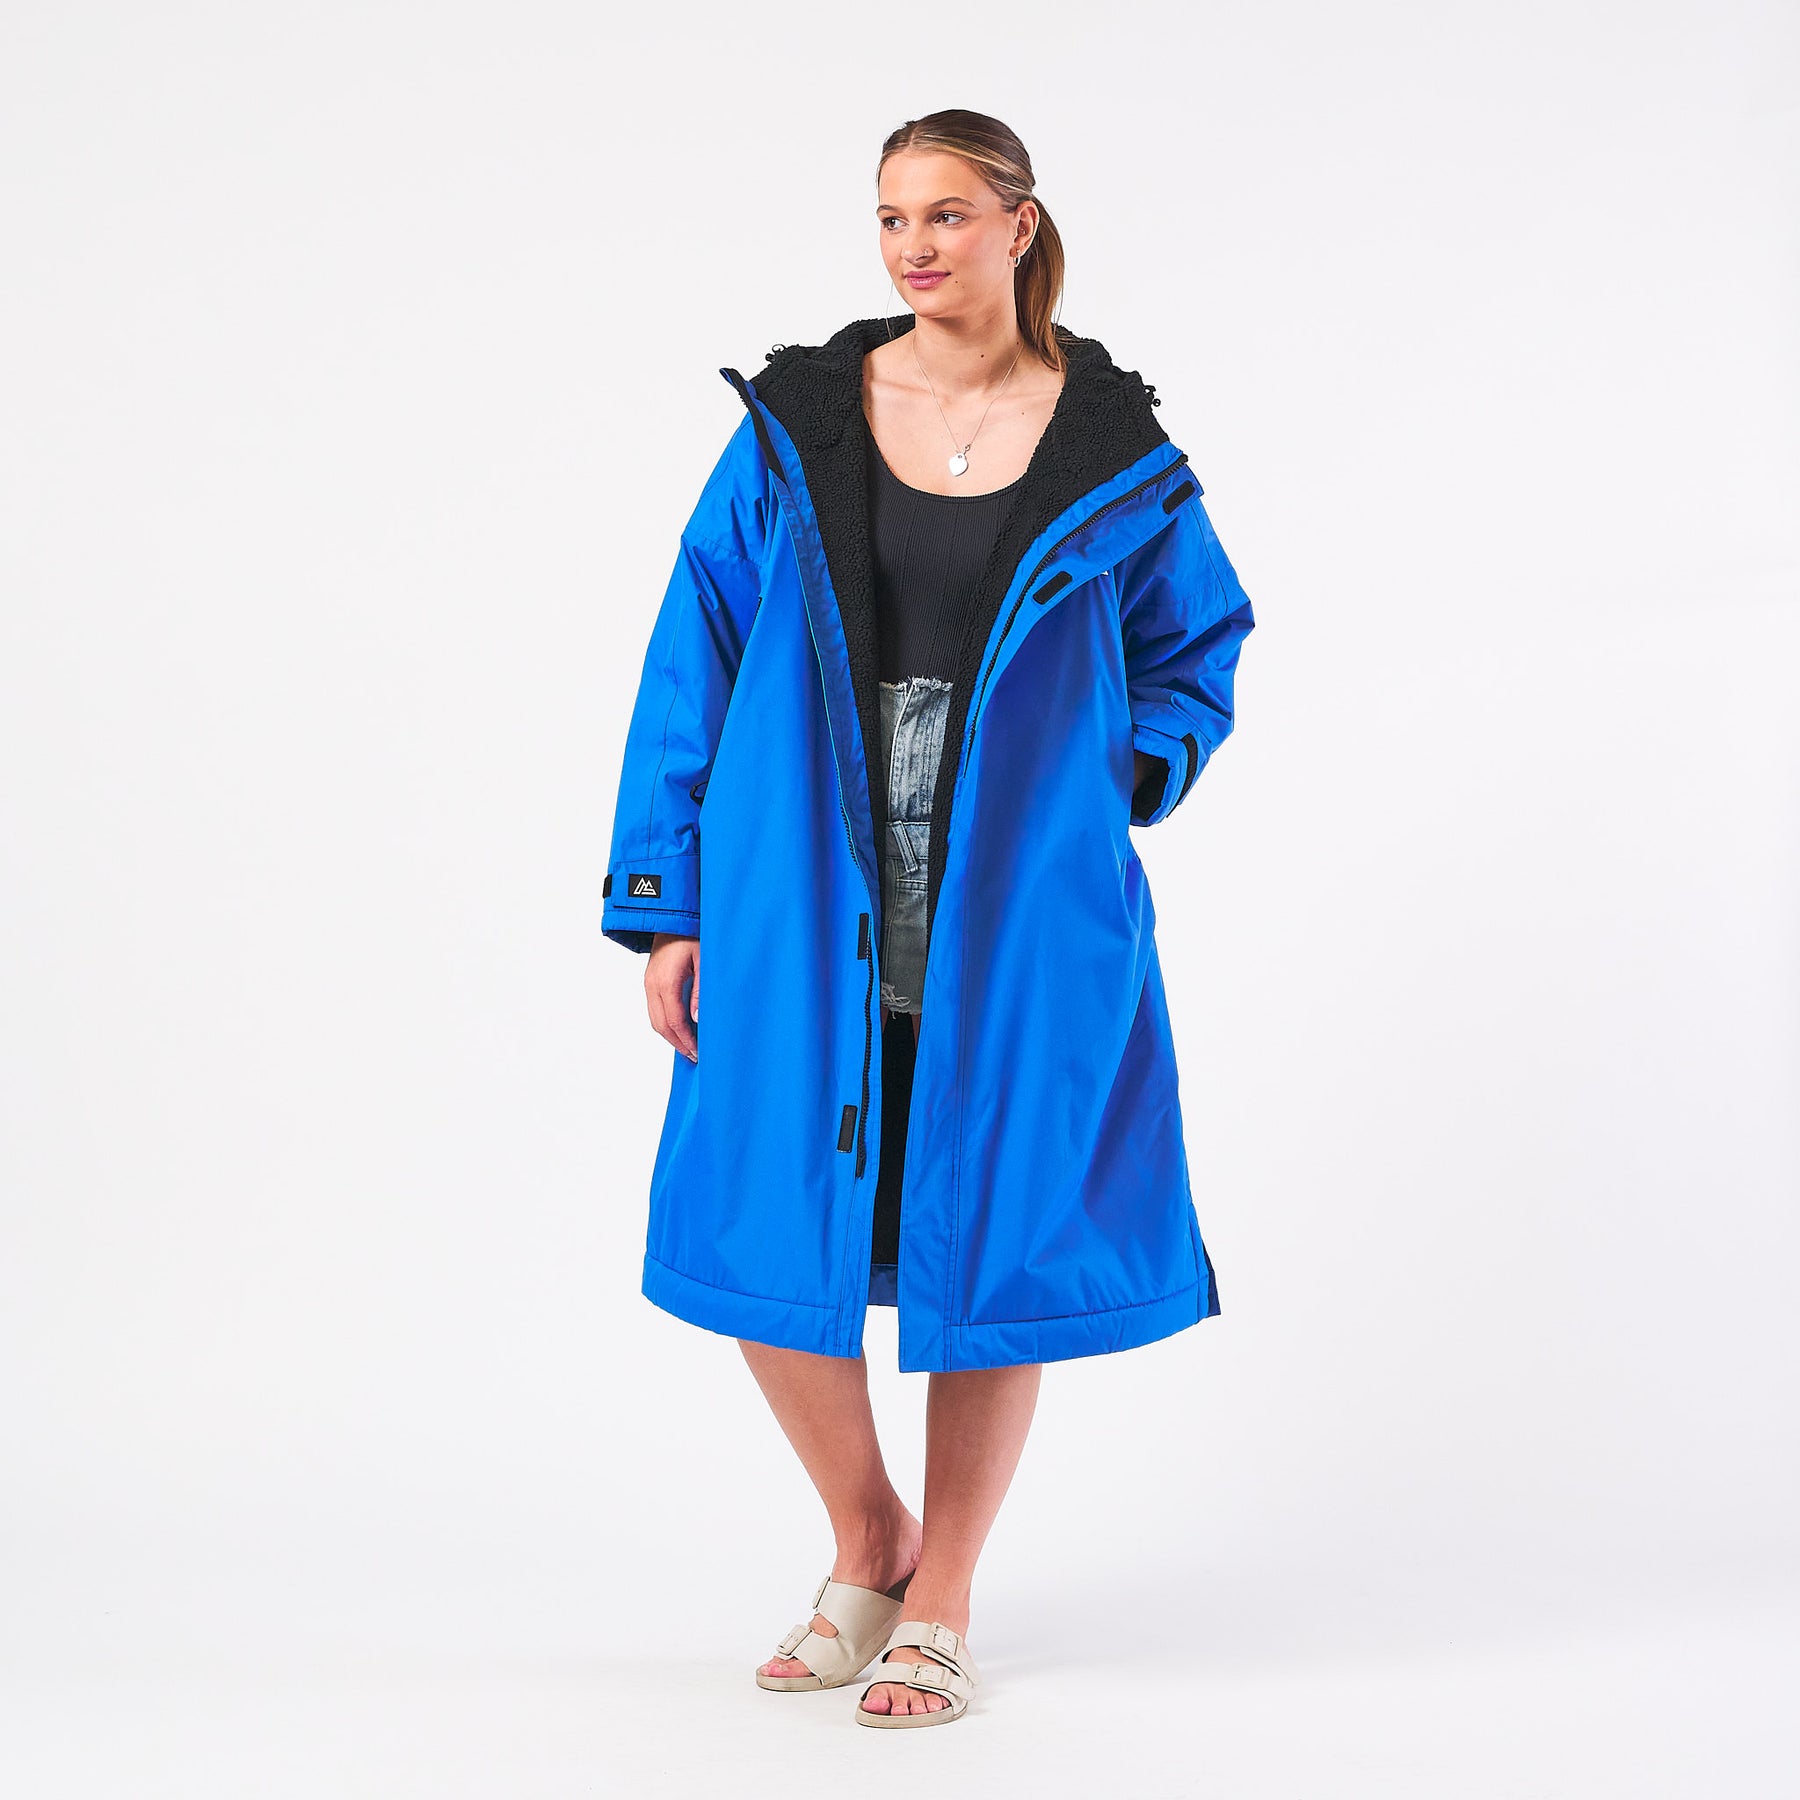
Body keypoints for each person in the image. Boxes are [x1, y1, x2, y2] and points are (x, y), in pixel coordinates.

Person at [601, 109, 1256, 1728]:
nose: (915, 246)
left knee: (993, 1216)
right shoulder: (800, 427)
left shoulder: (1113, 451)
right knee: (762, 1204)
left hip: (1019, 891)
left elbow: (1199, 648)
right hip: (798, 872)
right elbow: (695, 647)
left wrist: (1118, 774)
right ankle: (866, 1535)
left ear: (1021, 225)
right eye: (893, 216)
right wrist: (668, 900)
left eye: (949, 214)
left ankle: (941, 1590)